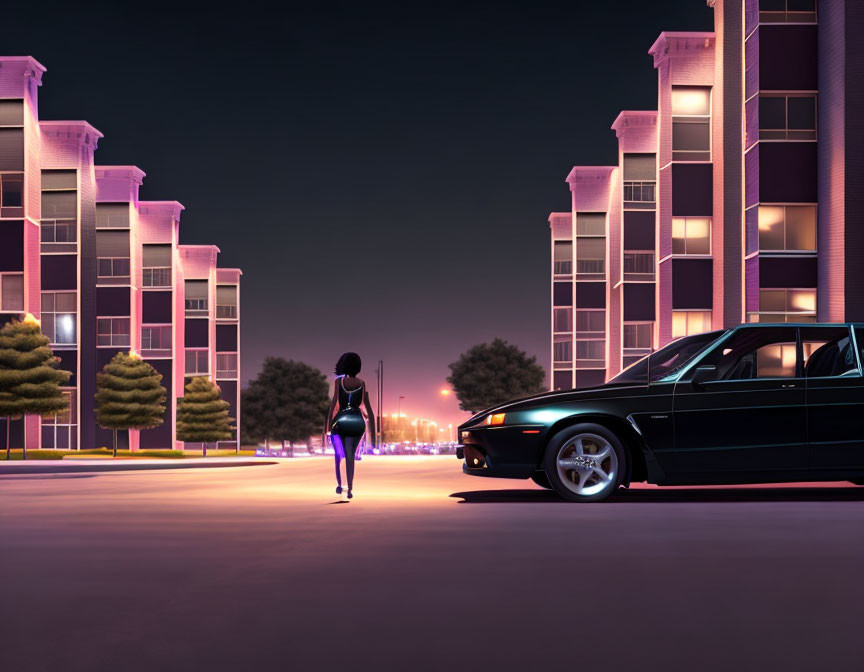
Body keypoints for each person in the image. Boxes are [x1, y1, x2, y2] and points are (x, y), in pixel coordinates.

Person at [325, 352, 376, 499]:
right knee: (350, 456)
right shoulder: (362, 384)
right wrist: (373, 436)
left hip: (341, 422)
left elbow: (333, 403)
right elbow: (370, 411)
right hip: (357, 422)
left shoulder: (339, 383)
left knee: (338, 456)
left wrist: (328, 427)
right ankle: (351, 489)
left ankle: (340, 485)